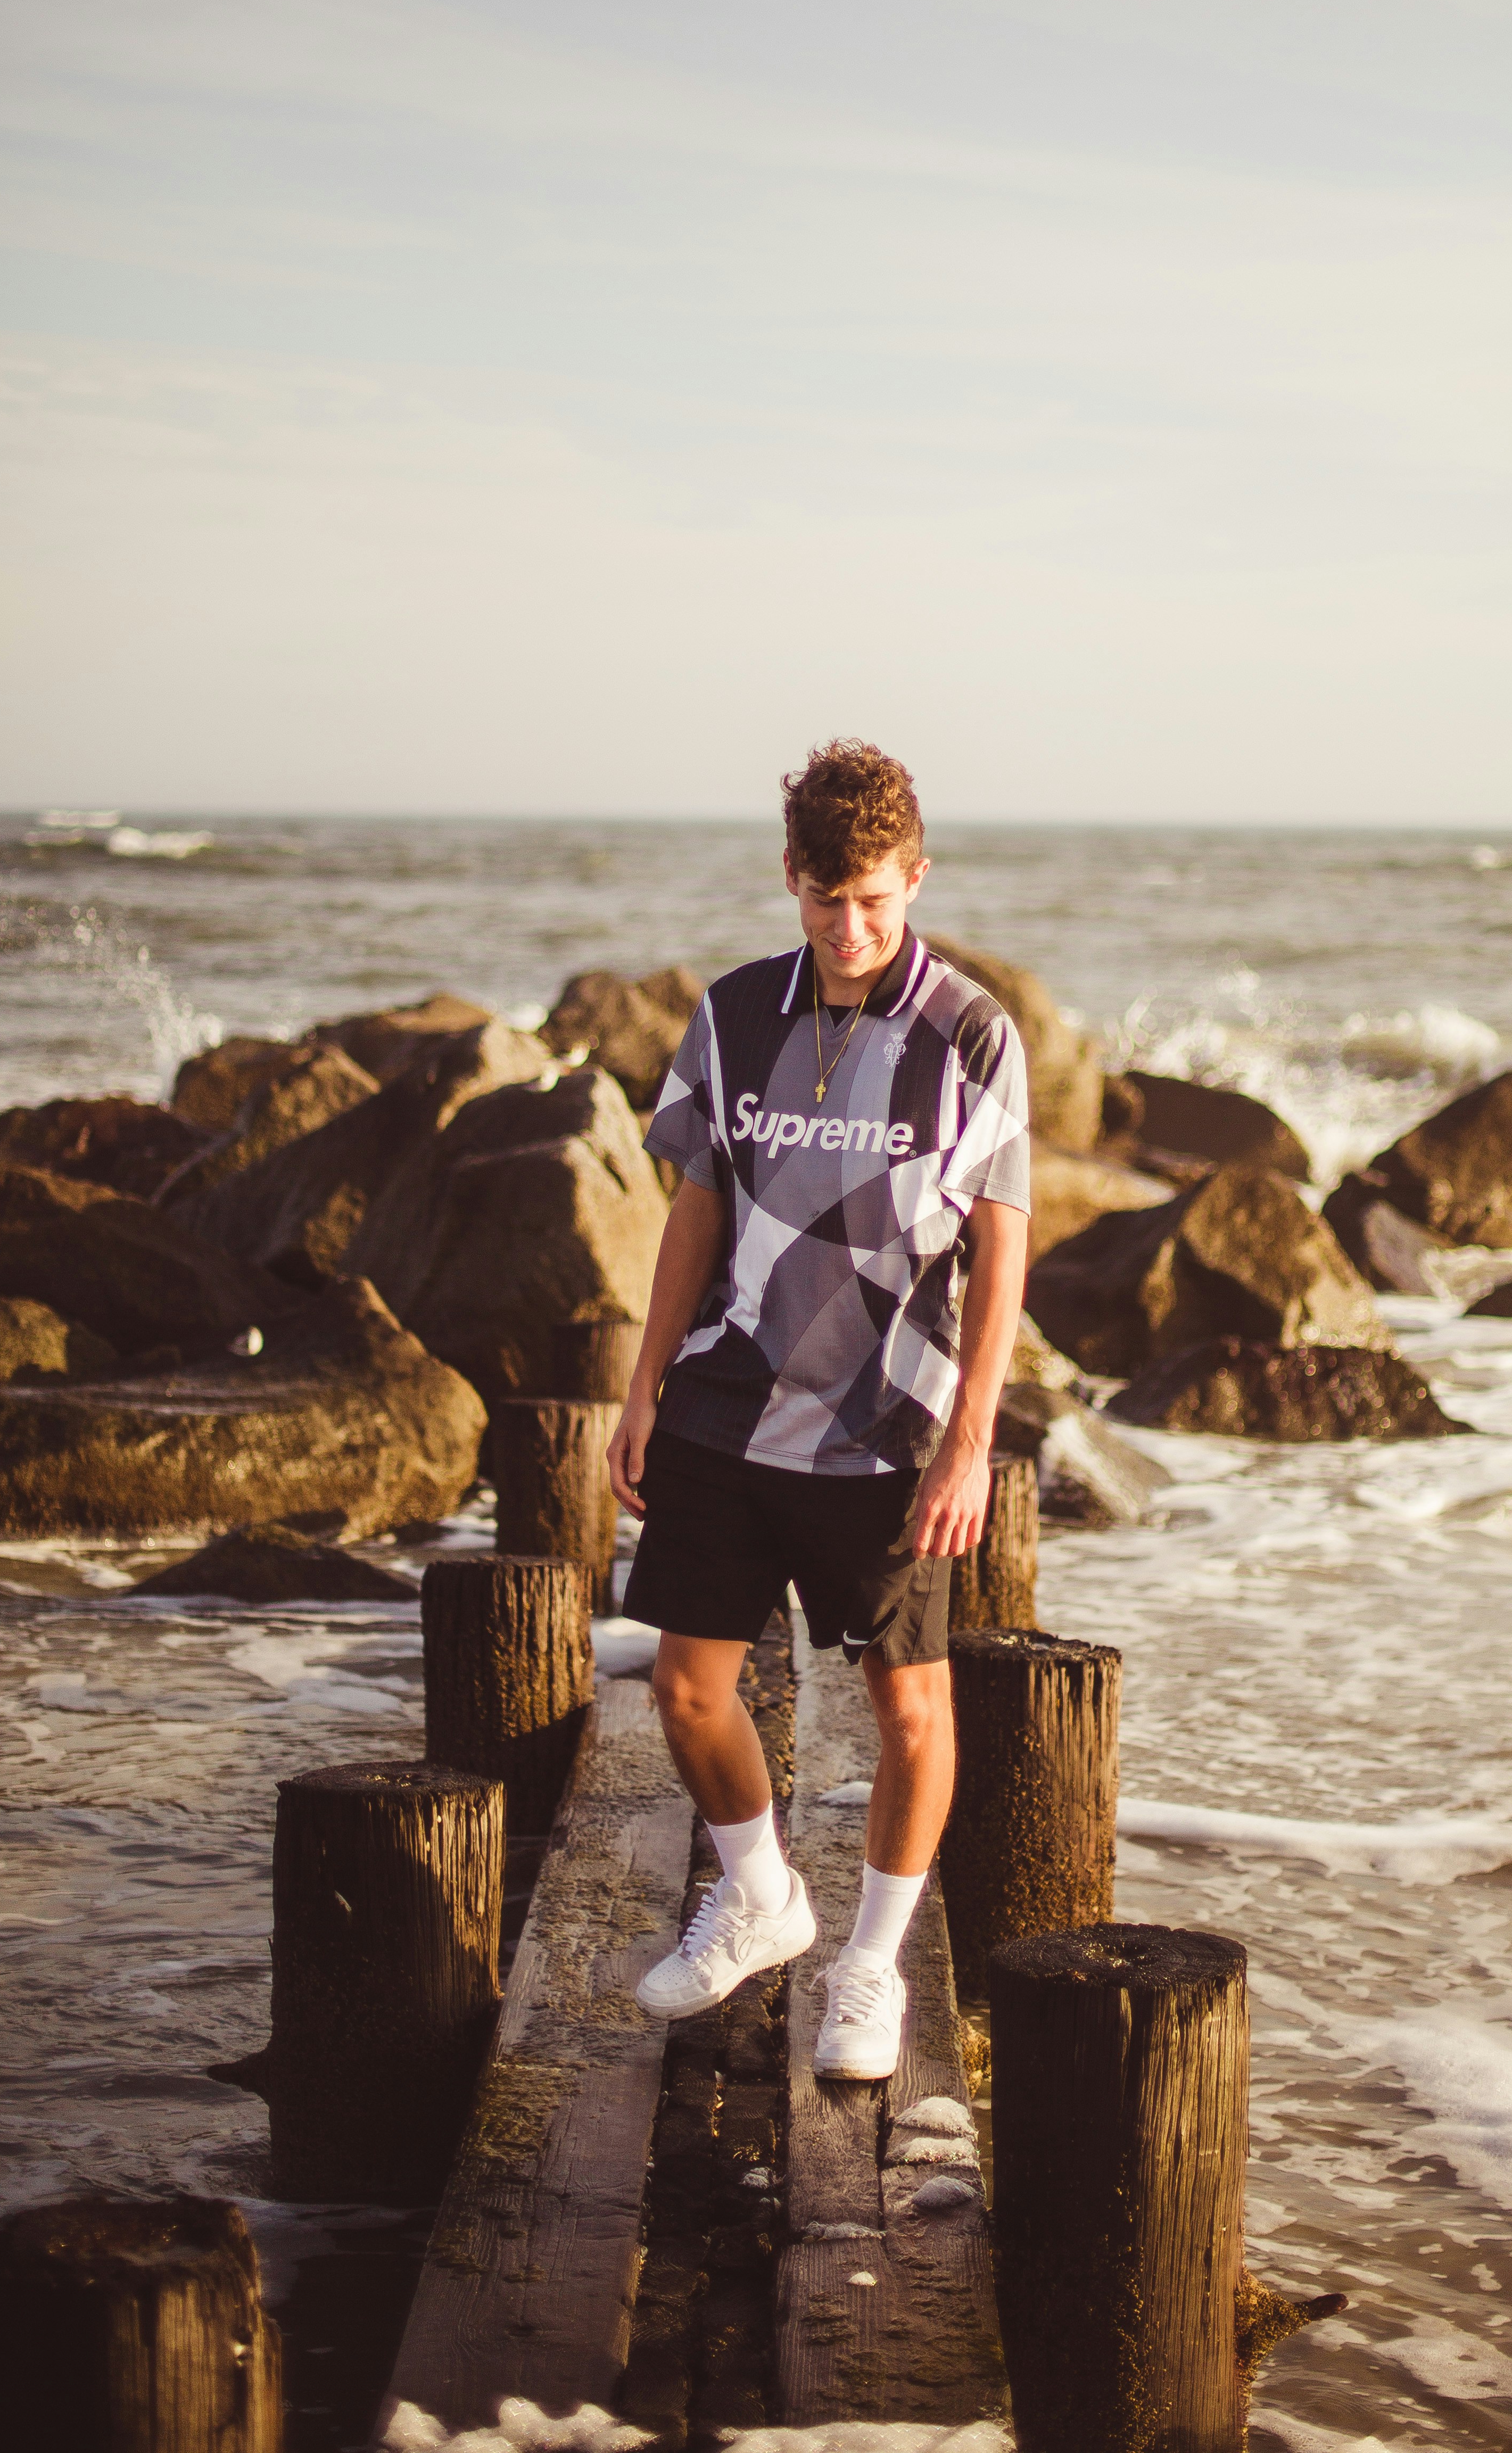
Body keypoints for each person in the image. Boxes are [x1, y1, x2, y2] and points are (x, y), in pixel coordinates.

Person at [607, 739, 1031, 2079]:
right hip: (727, 1409)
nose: (851, 931)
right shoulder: (735, 1016)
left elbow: (1005, 1243)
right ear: (791, 880)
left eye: (877, 902)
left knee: (911, 1716)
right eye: (825, 898)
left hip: (888, 1426)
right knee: (685, 1690)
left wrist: (971, 1439)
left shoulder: (970, 1033)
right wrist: (641, 1382)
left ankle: (869, 1967)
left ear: (915, 879)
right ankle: (761, 1895)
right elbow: (694, 1201)